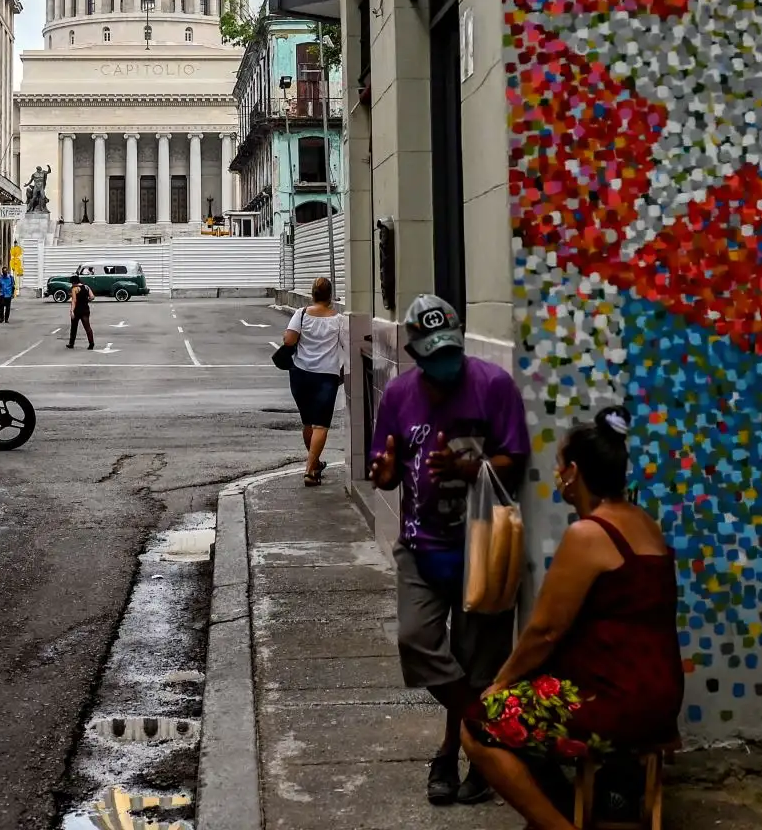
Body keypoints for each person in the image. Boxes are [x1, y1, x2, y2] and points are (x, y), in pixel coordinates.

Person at [460, 408, 683, 830]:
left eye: (560, 465)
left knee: (481, 722)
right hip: (660, 698)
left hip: (615, 703)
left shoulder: (589, 534)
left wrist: (501, 682)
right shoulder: (645, 523)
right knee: (531, 700)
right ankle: (565, 809)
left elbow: (544, 631)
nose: (557, 473)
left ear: (574, 472)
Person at [368, 294, 530, 807]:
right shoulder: (398, 395)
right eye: (433, 356)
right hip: (421, 546)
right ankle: (484, 730)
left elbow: (516, 460)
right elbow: (386, 466)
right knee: (418, 643)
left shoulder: (493, 385)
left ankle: (456, 756)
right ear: (414, 353)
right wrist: (386, 473)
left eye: (451, 352)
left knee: (477, 663)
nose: (445, 365)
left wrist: (471, 468)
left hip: (483, 544)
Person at [282, 278, 346, 486]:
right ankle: (310, 471)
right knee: (321, 425)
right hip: (327, 376)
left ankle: (315, 463)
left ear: (312, 294)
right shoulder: (338, 320)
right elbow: (347, 345)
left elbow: (289, 341)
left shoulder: (300, 314)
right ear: (330, 296)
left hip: (301, 374)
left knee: (308, 422)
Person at [66, 272, 95, 350]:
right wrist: (87, 300)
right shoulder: (86, 287)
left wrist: (72, 311)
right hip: (85, 309)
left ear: (73, 282)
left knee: (74, 328)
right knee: (87, 327)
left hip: (77, 311)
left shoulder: (74, 289)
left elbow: (74, 301)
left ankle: (71, 343)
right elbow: (92, 297)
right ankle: (91, 343)